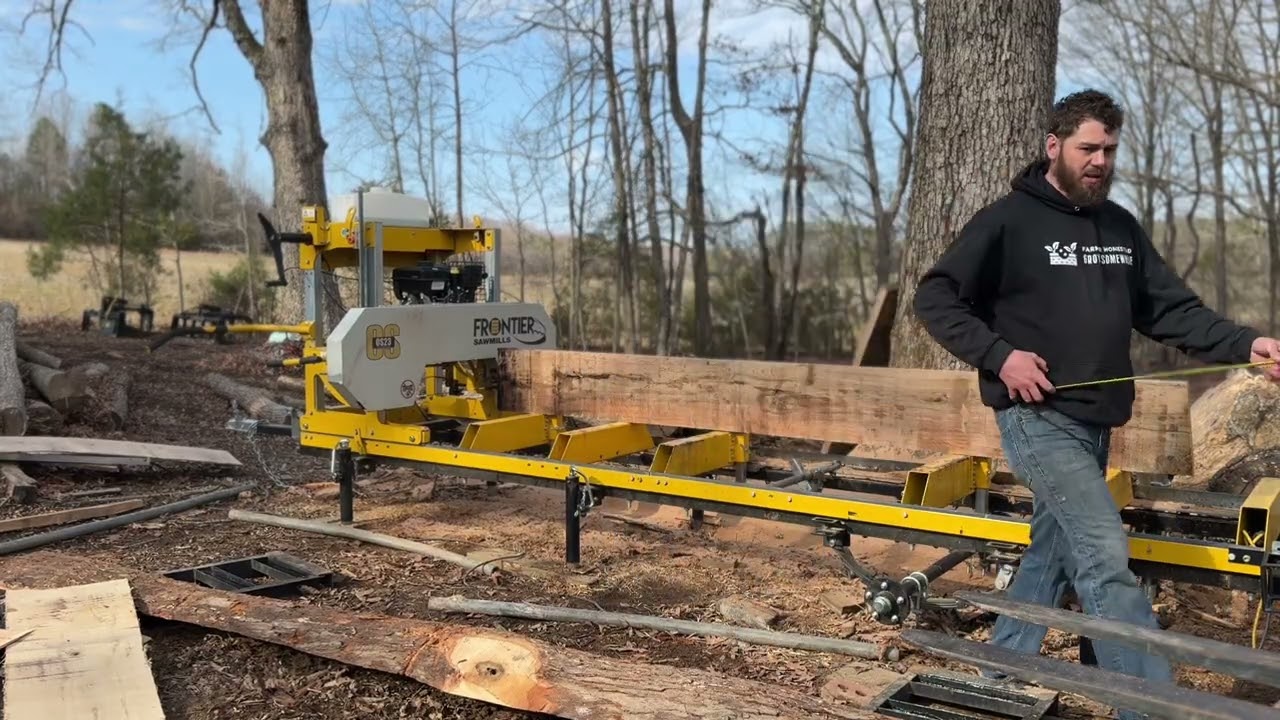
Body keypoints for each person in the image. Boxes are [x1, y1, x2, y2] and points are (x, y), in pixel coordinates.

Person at [911, 88, 1280, 717]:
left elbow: (1173, 312)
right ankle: (1154, 708)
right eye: (1088, 148)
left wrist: (1250, 343)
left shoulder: (1119, 228)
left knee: (1055, 551)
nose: (1100, 161)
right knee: (1105, 554)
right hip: (1037, 420)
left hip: (1097, 424)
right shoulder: (1007, 222)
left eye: (1109, 149)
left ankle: (996, 673)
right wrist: (1002, 356)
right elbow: (936, 297)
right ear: (1054, 147)